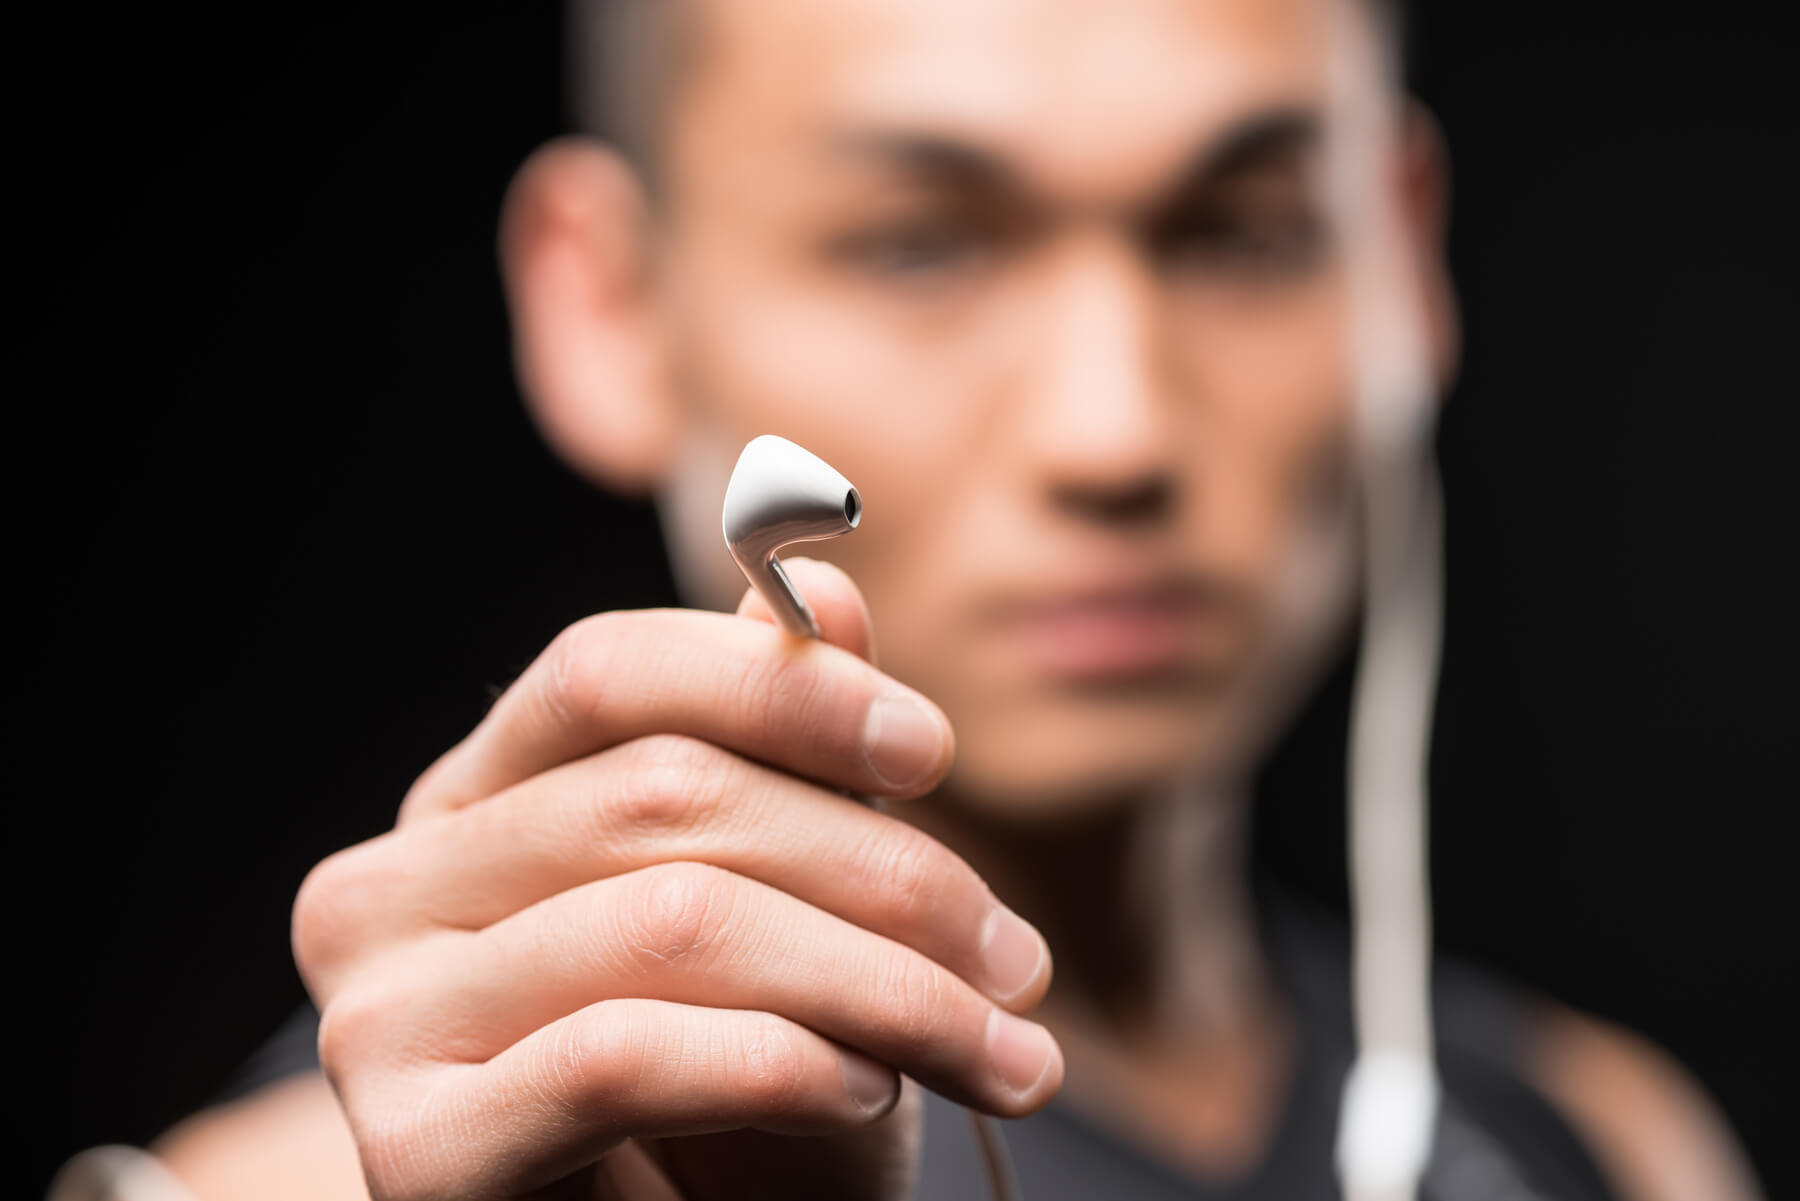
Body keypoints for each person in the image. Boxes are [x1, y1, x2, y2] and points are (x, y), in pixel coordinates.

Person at [122, 1, 1761, 1199]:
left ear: (1401, 262)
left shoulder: (1601, 1142)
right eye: (918, 244)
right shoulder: (341, 1176)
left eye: (1248, 234)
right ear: (608, 304)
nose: (1112, 429)